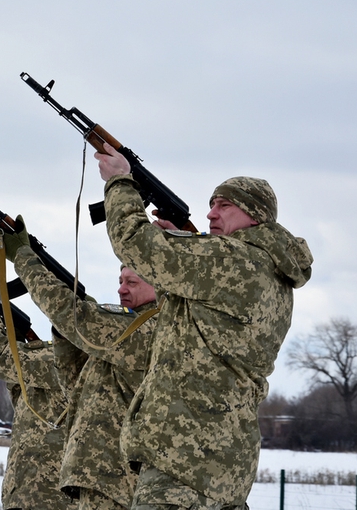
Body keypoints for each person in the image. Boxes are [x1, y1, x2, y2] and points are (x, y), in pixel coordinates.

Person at [95, 143, 313, 510]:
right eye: (212, 203)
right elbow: (197, 320)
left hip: (181, 464)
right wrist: (176, 250)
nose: (211, 214)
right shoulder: (270, 274)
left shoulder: (234, 259)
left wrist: (120, 182)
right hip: (224, 468)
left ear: (255, 215)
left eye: (225, 206)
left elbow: (133, 243)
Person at [0, 219, 159, 510]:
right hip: (98, 483)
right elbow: (73, 382)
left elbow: (74, 315)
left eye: (132, 282)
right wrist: (67, 334)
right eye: (120, 281)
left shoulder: (151, 330)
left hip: (119, 485)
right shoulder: (128, 330)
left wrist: (24, 258)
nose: (121, 290)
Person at [0, 278, 73, 510]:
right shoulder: (57, 362)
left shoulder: (62, 362)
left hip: (44, 497)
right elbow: (23, 395)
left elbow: (0, 356)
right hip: (30, 493)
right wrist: (15, 338)